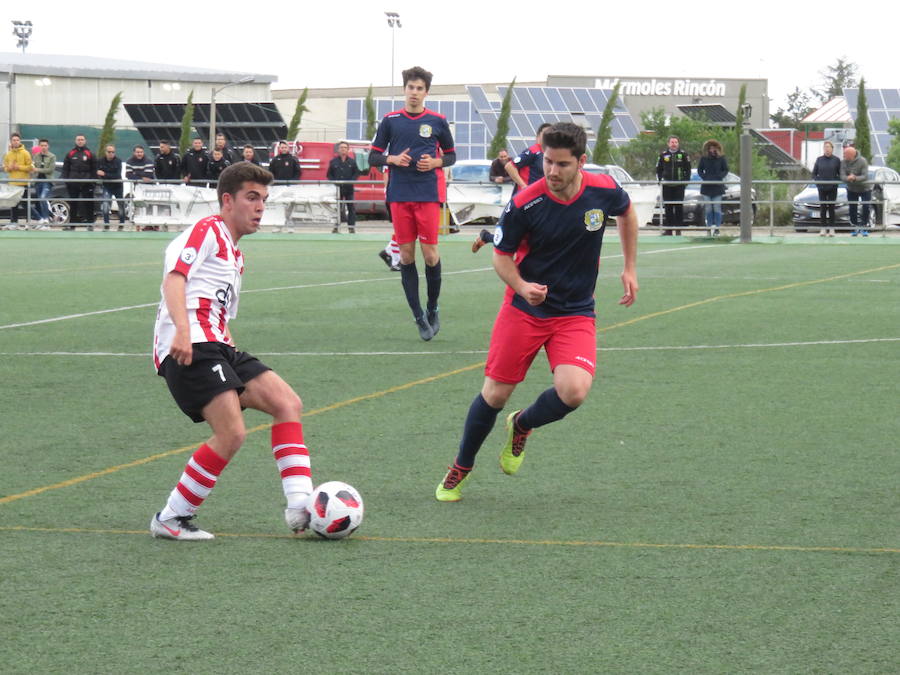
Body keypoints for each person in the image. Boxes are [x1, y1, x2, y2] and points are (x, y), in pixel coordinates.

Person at [434, 122, 638, 502]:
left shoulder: (604, 189)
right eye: (547, 161)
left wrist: (629, 267)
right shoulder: (527, 202)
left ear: (581, 162)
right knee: (495, 395)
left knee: (574, 391)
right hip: (524, 311)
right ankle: (461, 466)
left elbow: (627, 213)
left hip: (575, 311)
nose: (552, 171)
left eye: (562, 164)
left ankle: (522, 424)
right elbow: (501, 257)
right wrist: (523, 287)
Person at [149, 162, 314, 541]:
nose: (260, 207)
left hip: (218, 345)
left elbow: (218, 310)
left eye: (264, 200)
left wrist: (232, 353)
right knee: (232, 433)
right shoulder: (207, 230)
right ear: (228, 200)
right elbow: (175, 278)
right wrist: (183, 332)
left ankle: (300, 506)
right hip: (192, 347)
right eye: (251, 198)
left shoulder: (235, 254)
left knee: (287, 402)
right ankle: (172, 518)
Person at [369, 66, 456, 341]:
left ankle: (432, 307)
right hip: (400, 194)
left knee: (430, 255)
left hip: (428, 194)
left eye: (420, 88)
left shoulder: (438, 121)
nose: (414, 92)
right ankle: (418, 316)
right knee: (406, 256)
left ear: (426, 92)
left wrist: (436, 161)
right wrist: (392, 159)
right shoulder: (391, 120)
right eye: (411, 87)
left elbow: (452, 155)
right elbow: (373, 156)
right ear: (405, 89)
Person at [655, 135, 691, 236]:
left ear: (678, 144)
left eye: (675, 142)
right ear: (668, 143)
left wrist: (685, 182)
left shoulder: (683, 155)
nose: (674, 144)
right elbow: (658, 169)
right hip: (667, 186)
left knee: (679, 207)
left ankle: (678, 230)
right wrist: (660, 181)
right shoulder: (663, 155)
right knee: (668, 207)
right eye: (672, 142)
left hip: (679, 186)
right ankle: (668, 230)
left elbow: (688, 169)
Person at [506, 124, 551, 194]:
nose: (548, 136)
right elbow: (509, 166)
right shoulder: (533, 151)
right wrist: (523, 186)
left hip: (539, 195)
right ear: (539, 136)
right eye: (545, 133)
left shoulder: (550, 154)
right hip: (526, 196)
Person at [61, 134, 96, 228]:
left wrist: (92, 182)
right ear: (75, 141)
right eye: (78, 139)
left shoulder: (90, 153)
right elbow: (65, 169)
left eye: (82, 139)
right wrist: (67, 181)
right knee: (73, 203)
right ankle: (72, 224)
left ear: (85, 141)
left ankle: (90, 223)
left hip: (87, 184)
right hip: (73, 184)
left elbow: (94, 169)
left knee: (88, 203)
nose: (80, 141)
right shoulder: (70, 153)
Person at [327, 141, 361, 234]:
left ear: (348, 149)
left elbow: (356, 173)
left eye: (345, 147)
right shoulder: (333, 162)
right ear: (338, 149)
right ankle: (336, 227)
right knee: (337, 209)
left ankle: (351, 227)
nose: (343, 149)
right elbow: (329, 175)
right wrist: (334, 182)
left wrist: (351, 181)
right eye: (341, 147)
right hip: (338, 189)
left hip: (349, 189)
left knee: (351, 208)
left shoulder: (352, 162)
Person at [696, 139, 728, 236]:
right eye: (710, 148)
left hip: (718, 187)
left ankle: (717, 229)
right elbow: (699, 170)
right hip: (706, 187)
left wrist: (719, 176)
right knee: (708, 208)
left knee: (717, 207)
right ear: (708, 149)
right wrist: (705, 177)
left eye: (714, 148)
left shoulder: (722, 158)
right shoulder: (704, 158)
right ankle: (709, 228)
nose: (712, 150)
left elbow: (726, 169)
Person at [3, 133, 33, 229]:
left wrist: (18, 167)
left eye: (17, 140)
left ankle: (29, 222)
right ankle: (14, 222)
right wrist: (9, 168)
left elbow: (30, 167)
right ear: (11, 141)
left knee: (25, 204)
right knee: (13, 204)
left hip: (23, 182)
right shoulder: (8, 154)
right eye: (13, 140)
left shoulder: (25, 153)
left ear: (20, 141)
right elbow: (5, 167)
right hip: (12, 183)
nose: (15, 142)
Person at [840, 144, 871, 237]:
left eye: (845, 154)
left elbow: (865, 176)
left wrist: (855, 178)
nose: (844, 156)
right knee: (852, 208)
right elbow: (842, 175)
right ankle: (854, 226)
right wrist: (847, 178)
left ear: (852, 154)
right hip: (851, 188)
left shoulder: (863, 161)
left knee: (866, 207)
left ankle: (864, 226)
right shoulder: (843, 162)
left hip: (864, 188)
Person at [812, 141, 841, 237]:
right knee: (823, 208)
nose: (827, 149)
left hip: (832, 188)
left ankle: (832, 229)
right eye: (825, 147)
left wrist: (835, 182)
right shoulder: (819, 159)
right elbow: (814, 174)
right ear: (823, 149)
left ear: (832, 149)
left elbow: (840, 174)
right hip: (821, 188)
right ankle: (823, 229)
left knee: (831, 208)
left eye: (829, 147)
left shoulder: (836, 160)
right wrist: (818, 182)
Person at [96, 144, 127, 230]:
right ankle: (106, 224)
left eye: (113, 152)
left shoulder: (118, 161)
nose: (111, 154)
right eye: (109, 152)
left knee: (121, 206)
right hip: (107, 186)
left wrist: (105, 174)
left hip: (118, 187)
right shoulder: (100, 161)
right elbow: (97, 173)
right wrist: (103, 176)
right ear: (105, 152)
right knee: (105, 205)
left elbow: (117, 175)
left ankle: (121, 224)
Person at [30, 138, 55, 228]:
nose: (43, 147)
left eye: (45, 145)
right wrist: (32, 171)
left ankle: (46, 219)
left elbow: (50, 170)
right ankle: (44, 221)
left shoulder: (52, 156)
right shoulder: (36, 156)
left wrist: (38, 169)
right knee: (39, 201)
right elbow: (33, 167)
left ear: (48, 146)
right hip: (37, 182)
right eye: (42, 145)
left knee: (43, 198)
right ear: (39, 146)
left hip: (47, 181)